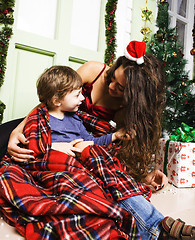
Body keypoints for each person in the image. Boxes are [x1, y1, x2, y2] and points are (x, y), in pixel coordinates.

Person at [1, 41, 195, 239]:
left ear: (133, 95)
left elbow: (113, 148)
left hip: (83, 142)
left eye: (120, 88)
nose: (111, 86)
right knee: (6, 145)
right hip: (48, 125)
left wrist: (140, 174)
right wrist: (18, 129)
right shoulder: (94, 70)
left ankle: (155, 227)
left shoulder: (127, 110)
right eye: (112, 77)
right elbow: (51, 99)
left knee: (101, 176)